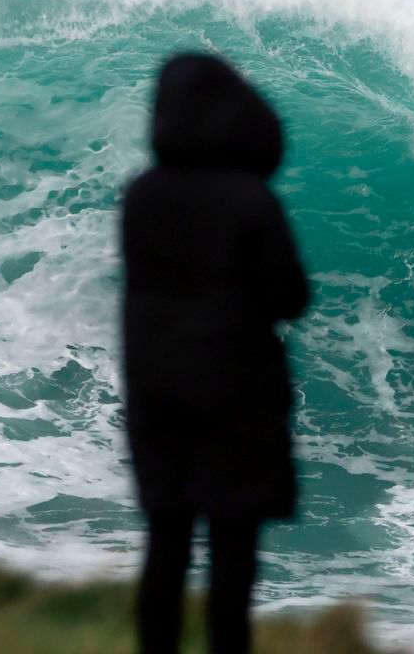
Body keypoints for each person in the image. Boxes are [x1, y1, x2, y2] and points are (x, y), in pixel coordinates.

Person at [119, 52, 310, 654]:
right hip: (237, 397)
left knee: (166, 544)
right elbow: (290, 297)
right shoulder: (251, 200)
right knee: (233, 555)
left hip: (157, 391)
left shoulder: (142, 197)